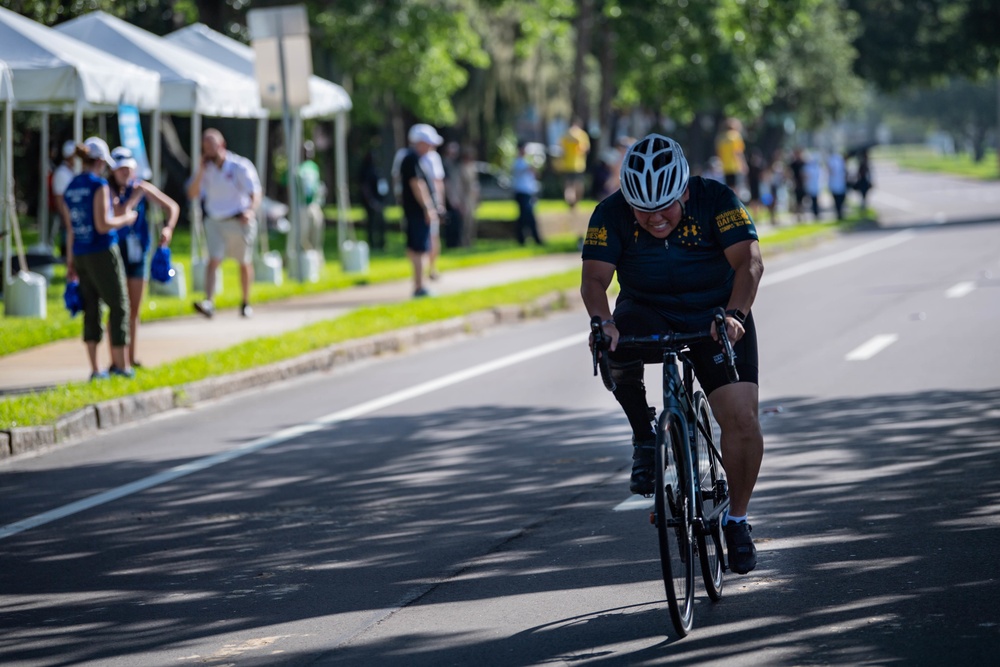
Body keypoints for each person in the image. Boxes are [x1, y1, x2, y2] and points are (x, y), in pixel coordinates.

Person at [581, 133, 765, 575]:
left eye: (665, 207)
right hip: (647, 308)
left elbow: (750, 263)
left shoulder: (716, 199)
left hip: (716, 312)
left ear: (684, 189)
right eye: (643, 211)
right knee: (613, 344)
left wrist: (736, 314)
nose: (655, 219)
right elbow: (594, 282)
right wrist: (603, 322)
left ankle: (737, 520)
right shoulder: (611, 213)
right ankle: (645, 433)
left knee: (740, 418)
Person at [63, 138, 139, 380]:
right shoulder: (99, 185)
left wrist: (70, 261)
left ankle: (95, 369)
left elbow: (71, 229)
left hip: (81, 253)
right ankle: (121, 366)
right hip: (102, 251)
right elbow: (103, 224)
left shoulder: (72, 186)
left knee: (91, 307)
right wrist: (127, 218)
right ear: (100, 162)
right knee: (119, 305)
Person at [108, 147, 180, 368]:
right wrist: (134, 198)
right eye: (120, 168)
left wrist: (168, 229)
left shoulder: (141, 187)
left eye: (127, 168)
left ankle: (131, 357)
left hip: (138, 253)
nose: (124, 172)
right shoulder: (107, 190)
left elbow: (172, 207)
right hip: (116, 253)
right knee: (117, 308)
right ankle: (115, 360)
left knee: (134, 309)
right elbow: (119, 213)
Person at [187, 128, 262, 319]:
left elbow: (255, 192)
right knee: (213, 261)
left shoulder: (239, 166)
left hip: (238, 221)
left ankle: (245, 302)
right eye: (205, 148)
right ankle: (209, 302)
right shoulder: (204, 168)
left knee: (244, 262)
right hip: (214, 220)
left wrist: (250, 211)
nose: (209, 151)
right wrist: (201, 171)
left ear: (222, 146)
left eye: (212, 147)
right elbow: (192, 193)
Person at [400, 124, 440, 297]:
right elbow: (417, 184)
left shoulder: (413, 158)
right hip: (417, 213)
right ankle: (419, 286)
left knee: (418, 248)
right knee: (420, 249)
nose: (431, 147)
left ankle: (419, 285)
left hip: (415, 212)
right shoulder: (411, 159)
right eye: (429, 143)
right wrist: (428, 208)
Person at [415, 125, 446, 280]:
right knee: (417, 241)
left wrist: (439, 204)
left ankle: (431, 268)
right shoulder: (408, 157)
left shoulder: (434, 158)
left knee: (433, 236)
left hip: (432, 203)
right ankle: (420, 273)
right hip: (414, 206)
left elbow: (438, 182)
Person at [511, 140, 543, 245]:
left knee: (526, 217)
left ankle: (525, 239)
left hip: (528, 192)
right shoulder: (518, 162)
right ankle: (528, 239)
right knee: (526, 217)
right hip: (522, 192)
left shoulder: (525, 161)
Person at [51, 139, 78, 258]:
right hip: (68, 218)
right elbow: (59, 198)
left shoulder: (70, 171)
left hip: (73, 217)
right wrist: (66, 219)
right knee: (67, 250)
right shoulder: (62, 173)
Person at [558, 117, 591, 213]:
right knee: (576, 184)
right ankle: (572, 201)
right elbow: (585, 149)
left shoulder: (569, 135)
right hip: (576, 165)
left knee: (571, 185)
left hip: (572, 164)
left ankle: (571, 201)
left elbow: (561, 149)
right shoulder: (581, 135)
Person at [359, 143, 387, 251]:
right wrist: (371, 201)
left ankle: (381, 243)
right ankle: (372, 243)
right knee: (371, 223)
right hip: (371, 202)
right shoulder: (366, 170)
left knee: (381, 222)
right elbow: (364, 187)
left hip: (380, 200)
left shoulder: (377, 170)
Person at [715, 117, 747, 193]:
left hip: (725, 166)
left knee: (729, 186)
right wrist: (743, 164)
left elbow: (719, 153)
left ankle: (729, 202)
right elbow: (738, 152)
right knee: (736, 187)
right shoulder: (736, 136)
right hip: (735, 166)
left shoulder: (721, 137)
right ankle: (735, 203)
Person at [826, 150, 848, 221]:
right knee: (837, 200)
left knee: (841, 199)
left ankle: (840, 213)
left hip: (840, 184)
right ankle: (839, 214)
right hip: (834, 184)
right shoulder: (832, 161)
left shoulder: (841, 162)